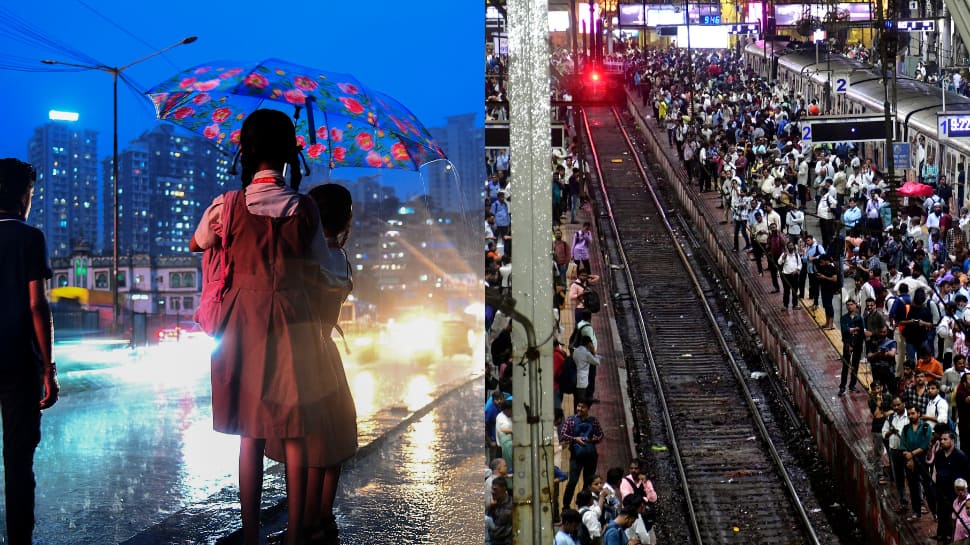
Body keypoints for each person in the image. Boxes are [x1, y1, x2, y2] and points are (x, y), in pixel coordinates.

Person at [190, 110, 334, 545]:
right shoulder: (304, 208)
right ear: (291, 152)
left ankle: (250, 534)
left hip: (241, 326)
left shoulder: (224, 206)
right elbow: (323, 266)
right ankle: (293, 535)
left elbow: (198, 243)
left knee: (250, 433)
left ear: (246, 151)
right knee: (294, 432)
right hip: (293, 324)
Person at [263, 183, 359, 544]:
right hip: (325, 352)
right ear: (346, 219)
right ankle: (321, 517)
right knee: (331, 441)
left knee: (302, 442)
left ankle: (300, 522)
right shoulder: (340, 260)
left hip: (299, 354)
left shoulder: (303, 258)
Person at [0, 158, 59, 545]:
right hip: (18, 363)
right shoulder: (29, 238)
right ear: (24, 196)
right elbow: (38, 305)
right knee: (18, 462)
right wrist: (48, 369)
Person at [560, 398, 604, 509]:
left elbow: (600, 435)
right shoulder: (571, 420)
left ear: (588, 409)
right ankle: (566, 506)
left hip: (591, 457)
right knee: (572, 481)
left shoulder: (593, 421)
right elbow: (563, 435)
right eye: (578, 406)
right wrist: (575, 439)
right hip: (576, 457)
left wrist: (593, 439)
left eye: (582, 407)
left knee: (588, 483)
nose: (579, 409)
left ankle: (583, 505)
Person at [933, 431, 970, 543]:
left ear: (952, 441)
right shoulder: (939, 455)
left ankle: (951, 538)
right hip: (941, 493)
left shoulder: (960, 456)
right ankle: (941, 536)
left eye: (945, 439)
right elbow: (937, 470)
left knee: (953, 519)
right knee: (941, 516)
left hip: (954, 495)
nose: (942, 441)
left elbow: (967, 476)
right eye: (941, 439)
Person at [839, 299, 865, 395]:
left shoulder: (859, 318)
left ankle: (852, 385)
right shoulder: (844, 318)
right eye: (848, 305)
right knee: (845, 366)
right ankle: (842, 386)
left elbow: (861, 331)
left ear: (855, 305)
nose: (849, 306)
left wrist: (851, 330)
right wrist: (854, 329)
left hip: (857, 344)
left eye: (851, 304)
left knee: (855, 366)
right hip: (847, 344)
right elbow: (844, 330)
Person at [487, 476, 513, 545]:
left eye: (495, 489)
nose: (492, 492)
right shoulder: (493, 507)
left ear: (504, 489)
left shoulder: (512, 505)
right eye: (492, 489)